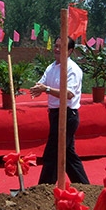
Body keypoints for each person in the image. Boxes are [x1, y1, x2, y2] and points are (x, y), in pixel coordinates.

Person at [29, 37, 90, 185]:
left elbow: (69, 94)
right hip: (54, 114)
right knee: (68, 155)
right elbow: (42, 83)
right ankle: (85, 186)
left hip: (67, 115)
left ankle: (44, 188)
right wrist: (38, 88)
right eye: (56, 46)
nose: (57, 49)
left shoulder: (72, 69)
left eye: (61, 47)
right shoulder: (51, 67)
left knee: (53, 152)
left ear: (69, 51)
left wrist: (46, 89)